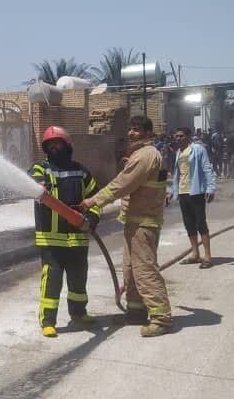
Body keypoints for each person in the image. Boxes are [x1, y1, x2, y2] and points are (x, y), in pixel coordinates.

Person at [80, 116, 172, 337]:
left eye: (137, 130)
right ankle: (135, 312)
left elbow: (122, 185)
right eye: (130, 129)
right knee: (131, 271)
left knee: (144, 270)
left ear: (149, 133)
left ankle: (161, 318)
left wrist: (92, 201)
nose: (131, 133)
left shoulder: (145, 156)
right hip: (135, 221)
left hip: (144, 222)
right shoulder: (141, 155)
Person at [28, 126, 101, 338]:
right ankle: (48, 321)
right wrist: (39, 185)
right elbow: (32, 179)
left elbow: (95, 198)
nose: (54, 148)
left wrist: (93, 216)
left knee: (79, 279)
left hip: (78, 237)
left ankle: (79, 313)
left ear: (68, 146)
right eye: (50, 145)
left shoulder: (82, 172)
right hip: (51, 238)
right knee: (52, 280)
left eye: (58, 144)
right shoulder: (41, 169)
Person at [168, 127, 216, 268]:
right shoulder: (178, 153)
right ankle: (195, 254)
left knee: (201, 223)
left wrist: (210, 188)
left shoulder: (198, 149)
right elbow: (177, 174)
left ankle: (207, 256)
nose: (178, 138)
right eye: (176, 136)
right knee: (189, 224)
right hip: (183, 193)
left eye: (181, 136)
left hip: (196, 192)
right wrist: (172, 191)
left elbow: (207, 168)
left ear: (189, 137)